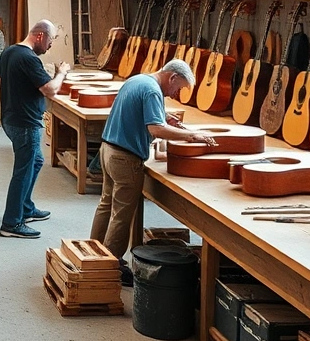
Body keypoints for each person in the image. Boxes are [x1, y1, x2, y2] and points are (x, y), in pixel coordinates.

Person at [90, 59, 217, 283]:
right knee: (122, 215)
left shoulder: (138, 80)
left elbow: (140, 114)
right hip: (125, 158)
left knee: (106, 205)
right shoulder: (152, 91)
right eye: (177, 88)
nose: (175, 94)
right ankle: (111, 266)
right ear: (172, 77)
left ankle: (92, 252)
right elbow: (156, 129)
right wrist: (191, 135)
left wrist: (162, 115)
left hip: (108, 150)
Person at [0, 20, 69, 239]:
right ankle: (11, 223)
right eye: (51, 40)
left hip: (11, 118)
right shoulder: (29, 58)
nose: (51, 45)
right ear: (40, 36)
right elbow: (50, 90)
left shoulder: (10, 52)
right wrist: (62, 73)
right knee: (23, 170)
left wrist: (20, 91)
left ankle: (25, 207)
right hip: (25, 123)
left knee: (35, 161)